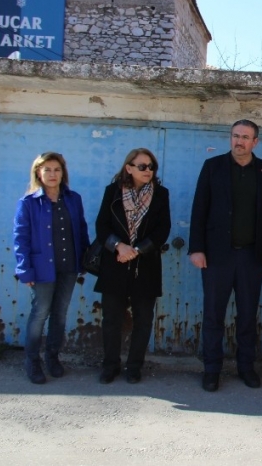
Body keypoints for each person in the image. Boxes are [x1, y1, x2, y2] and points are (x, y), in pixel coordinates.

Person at [189, 119, 262, 392]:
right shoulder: (213, 167)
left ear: (255, 142)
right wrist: (197, 248)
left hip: (252, 257)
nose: (238, 141)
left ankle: (246, 367)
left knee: (248, 316)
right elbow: (199, 209)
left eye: (245, 137)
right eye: (235, 136)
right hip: (217, 256)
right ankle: (212, 370)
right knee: (214, 316)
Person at [94, 148, 171, 384]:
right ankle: (110, 365)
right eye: (142, 166)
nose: (148, 170)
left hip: (145, 265)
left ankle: (134, 366)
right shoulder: (113, 191)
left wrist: (136, 250)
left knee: (143, 319)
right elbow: (101, 226)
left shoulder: (161, 194)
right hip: (115, 263)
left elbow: (162, 230)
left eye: (151, 167)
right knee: (111, 320)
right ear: (129, 168)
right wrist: (119, 246)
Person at [13, 152, 90, 384]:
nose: (52, 174)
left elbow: (81, 229)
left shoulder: (73, 199)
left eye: (57, 169)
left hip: (68, 266)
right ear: (38, 172)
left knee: (60, 314)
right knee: (40, 314)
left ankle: (53, 358)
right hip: (41, 268)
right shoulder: (28, 203)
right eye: (47, 169)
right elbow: (21, 237)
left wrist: (84, 259)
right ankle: (32, 361)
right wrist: (24, 268)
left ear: (63, 172)